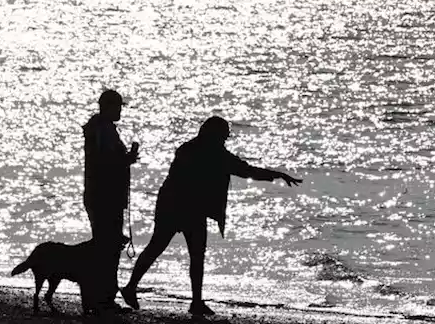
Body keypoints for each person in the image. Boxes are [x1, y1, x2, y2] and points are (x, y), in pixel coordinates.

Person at [120, 116, 302, 318]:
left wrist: (275, 174)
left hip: (174, 205)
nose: (225, 140)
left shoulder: (188, 148)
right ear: (216, 135)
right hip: (185, 208)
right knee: (192, 255)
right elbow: (246, 170)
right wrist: (276, 174)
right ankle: (192, 301)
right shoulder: (216, 155)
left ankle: (138, 288)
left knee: (164, 248)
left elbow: (243, 169)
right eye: (224, 136)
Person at [82, 89, 140, 315]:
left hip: (97, 195)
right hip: (105, 197)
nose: (120, 111)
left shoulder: (97, 128)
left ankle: (100, 297)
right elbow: (108, 163)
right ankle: (104, 298)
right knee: (108, 248)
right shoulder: (104, 130)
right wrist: (129, 158)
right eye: (117, 106)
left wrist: (125, 159)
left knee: (104, 246)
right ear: (107, 107)